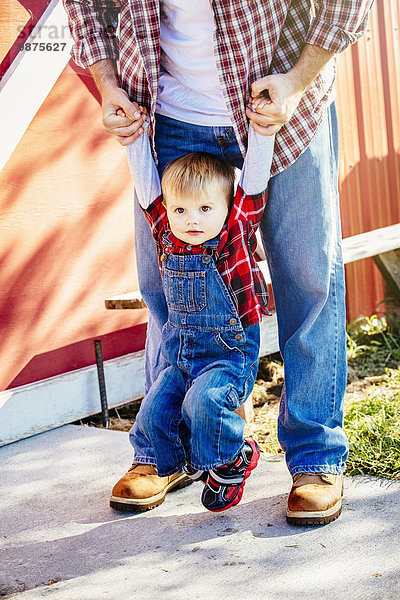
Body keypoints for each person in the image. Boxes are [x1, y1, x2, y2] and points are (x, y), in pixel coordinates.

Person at [63, 0, 374, 525]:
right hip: (166, 114)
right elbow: (86, 7)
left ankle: (316, 455)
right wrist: (110, 85)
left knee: (308, 280)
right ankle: (169, 452)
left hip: (281, 101)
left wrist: (298, 80)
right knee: (167, 290)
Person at [111, 120, 274, 512]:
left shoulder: (234, 232)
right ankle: (189, 464)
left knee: (203, 403)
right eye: (181, 209)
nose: (192, 220)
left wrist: (264, 135)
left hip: (226, 355)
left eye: (204, 208)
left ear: (225, 205)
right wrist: (133, 141)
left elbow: (252, 185)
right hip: (181, 358)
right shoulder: (167, 235)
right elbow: (148, 192)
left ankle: (233, 456)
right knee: (152, 414)